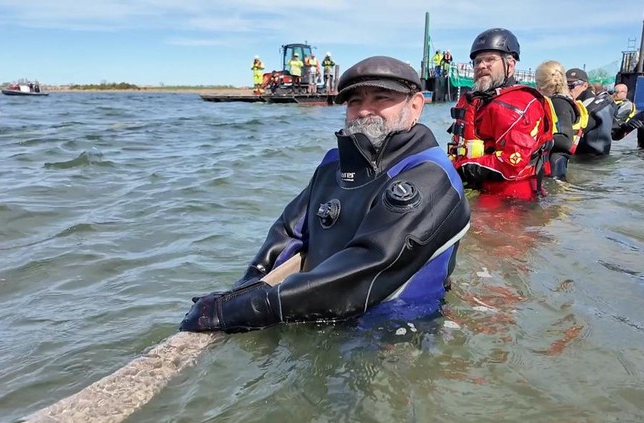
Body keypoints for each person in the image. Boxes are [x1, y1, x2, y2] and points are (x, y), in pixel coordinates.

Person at [179, 56, 471, 333]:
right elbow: (290, 233)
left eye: (381, 98)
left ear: (416, 106)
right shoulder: (334, 164)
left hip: (396, 332)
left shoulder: (431, 176)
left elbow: (371, 264)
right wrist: (246, 287)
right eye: (354, 101)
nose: (364, 111)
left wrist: (241, 310)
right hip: (313, 314)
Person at [446, 28, 554, 200]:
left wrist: (461, 168)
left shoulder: (521, 105)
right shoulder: (475, 100)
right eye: (477, 61)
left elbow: (512, 163)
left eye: (490, 60)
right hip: (475, 187)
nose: (481, 66)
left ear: (510, 65)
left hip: (511, 199)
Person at [534, 60, 587, 181]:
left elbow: (565, 141)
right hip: (554, 167)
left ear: (539, 86)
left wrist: (535, 141)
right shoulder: (558, 101)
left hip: (555, 170)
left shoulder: (559, 103)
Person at [566, 68, 614, 157]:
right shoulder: (603, 104)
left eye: (571, 85)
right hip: (596, 159)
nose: (567, 90)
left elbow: (569, 135)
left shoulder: (591, 108)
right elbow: (616, 131)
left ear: (585, 86)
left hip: (590, 161)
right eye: (564, 85)